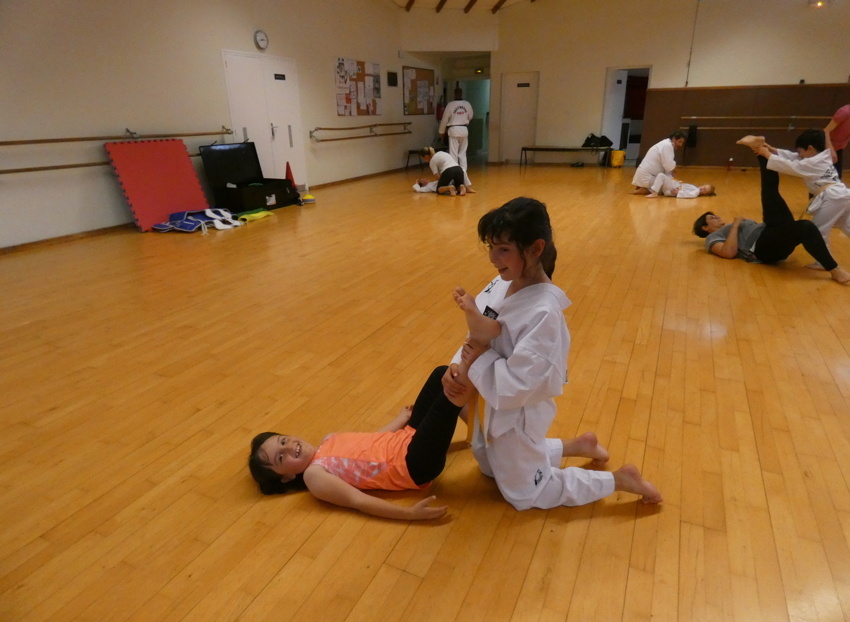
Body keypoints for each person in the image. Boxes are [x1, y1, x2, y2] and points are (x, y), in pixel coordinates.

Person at [443, 197, 663, 510]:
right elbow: (477, 328)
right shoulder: (502, 281)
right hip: (489, 402)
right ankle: (579, 445)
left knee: (526, 493)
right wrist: (457, 366)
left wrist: (475, 357)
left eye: (503, 249)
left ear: (535, 249)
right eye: (490, 247)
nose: (493, 257)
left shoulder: (544, 314)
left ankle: (619, 479)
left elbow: (519, 384)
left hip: (516, 413)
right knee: (489, 463)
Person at [248, 360, 482, 520]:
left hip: (406, 438)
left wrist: (400, 420)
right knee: (451, 393)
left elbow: (372, 441)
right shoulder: (314, 476)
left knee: (441, 375)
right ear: (287, 477)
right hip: (413, 464)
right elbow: (358, 500)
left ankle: (478, 434)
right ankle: (486, 440)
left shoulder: (328, 440)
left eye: (283, 441)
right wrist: (409, 514)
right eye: (281, 458)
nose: (290, 448)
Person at [692, 145, 850, 285]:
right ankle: (835, 270)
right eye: (711, 218)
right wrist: (735, 224)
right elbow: (728, 253)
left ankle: (761, 152)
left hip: (770, 232)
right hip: (762, 249)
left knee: (772, 192)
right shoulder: (712, 238)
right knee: (806, 226)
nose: (717, 217)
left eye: (715, 215)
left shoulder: (727, 229)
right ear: (705, 228)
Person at [738, 132, 850, 263]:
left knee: (817, 230)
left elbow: (792, 166)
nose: (799, 154)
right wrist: (772, 150)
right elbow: (794, 157)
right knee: (845, 224)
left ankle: (822, 262)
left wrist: (767, 155)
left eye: (800, 151)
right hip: (842, 195)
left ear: (810, 148)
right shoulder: (820, 156)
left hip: (834, 197)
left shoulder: (814, 162)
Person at [629, 130, 688, 195]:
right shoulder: (667, 146)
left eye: (682, 143)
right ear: (674, 139)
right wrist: (673, 169)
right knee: (668, 189)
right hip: (648, 177)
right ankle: (646, 189)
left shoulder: (664, 144)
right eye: (679, 142)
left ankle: (643, 186)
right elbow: (668, 166)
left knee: (669, 183)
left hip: (644, 175)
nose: (680, 145)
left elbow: (667, 166)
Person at [438, 87, 473, 172]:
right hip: (464, 129)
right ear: (461, 93)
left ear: (454, 94)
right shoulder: (467, 104)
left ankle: (455, 172)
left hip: (454, 130)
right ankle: (463, 172)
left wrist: (441, 131)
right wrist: (464, 119)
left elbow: (444, 119)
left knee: (453, 153)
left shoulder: (450, 105)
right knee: (462, 153)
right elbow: (471, 116)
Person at [824, 104, 849, 179]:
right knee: (824, 178)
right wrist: (830, 149)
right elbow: (826, 131)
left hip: (838, 148)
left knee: (837, 177)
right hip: (826, 147)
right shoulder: (845, 112)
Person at [645, 173, 715, 198]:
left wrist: (679, 192)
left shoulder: (696, 192)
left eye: (705, 190)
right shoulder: (695, 188)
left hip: (673, 190)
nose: (703, 188)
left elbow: (690, 195)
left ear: (705, 194)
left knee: (661, 175)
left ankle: (654, 193)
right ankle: (649, 190)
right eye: (704, 187)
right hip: (672, 188)